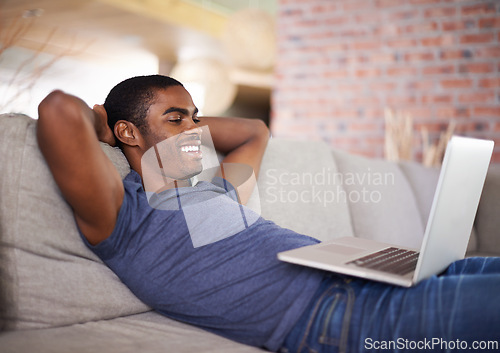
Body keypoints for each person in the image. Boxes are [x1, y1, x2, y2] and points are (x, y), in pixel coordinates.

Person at [37, 75, 500, 353]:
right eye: (176, 119)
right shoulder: (124, 217)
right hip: (342, 316)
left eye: (196, 118)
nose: (196, 130)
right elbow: (58, 109)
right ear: (126, 132)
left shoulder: (218, 193)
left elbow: (253, 130)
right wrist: (104, 119)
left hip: (375, 274)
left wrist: (177, 124)